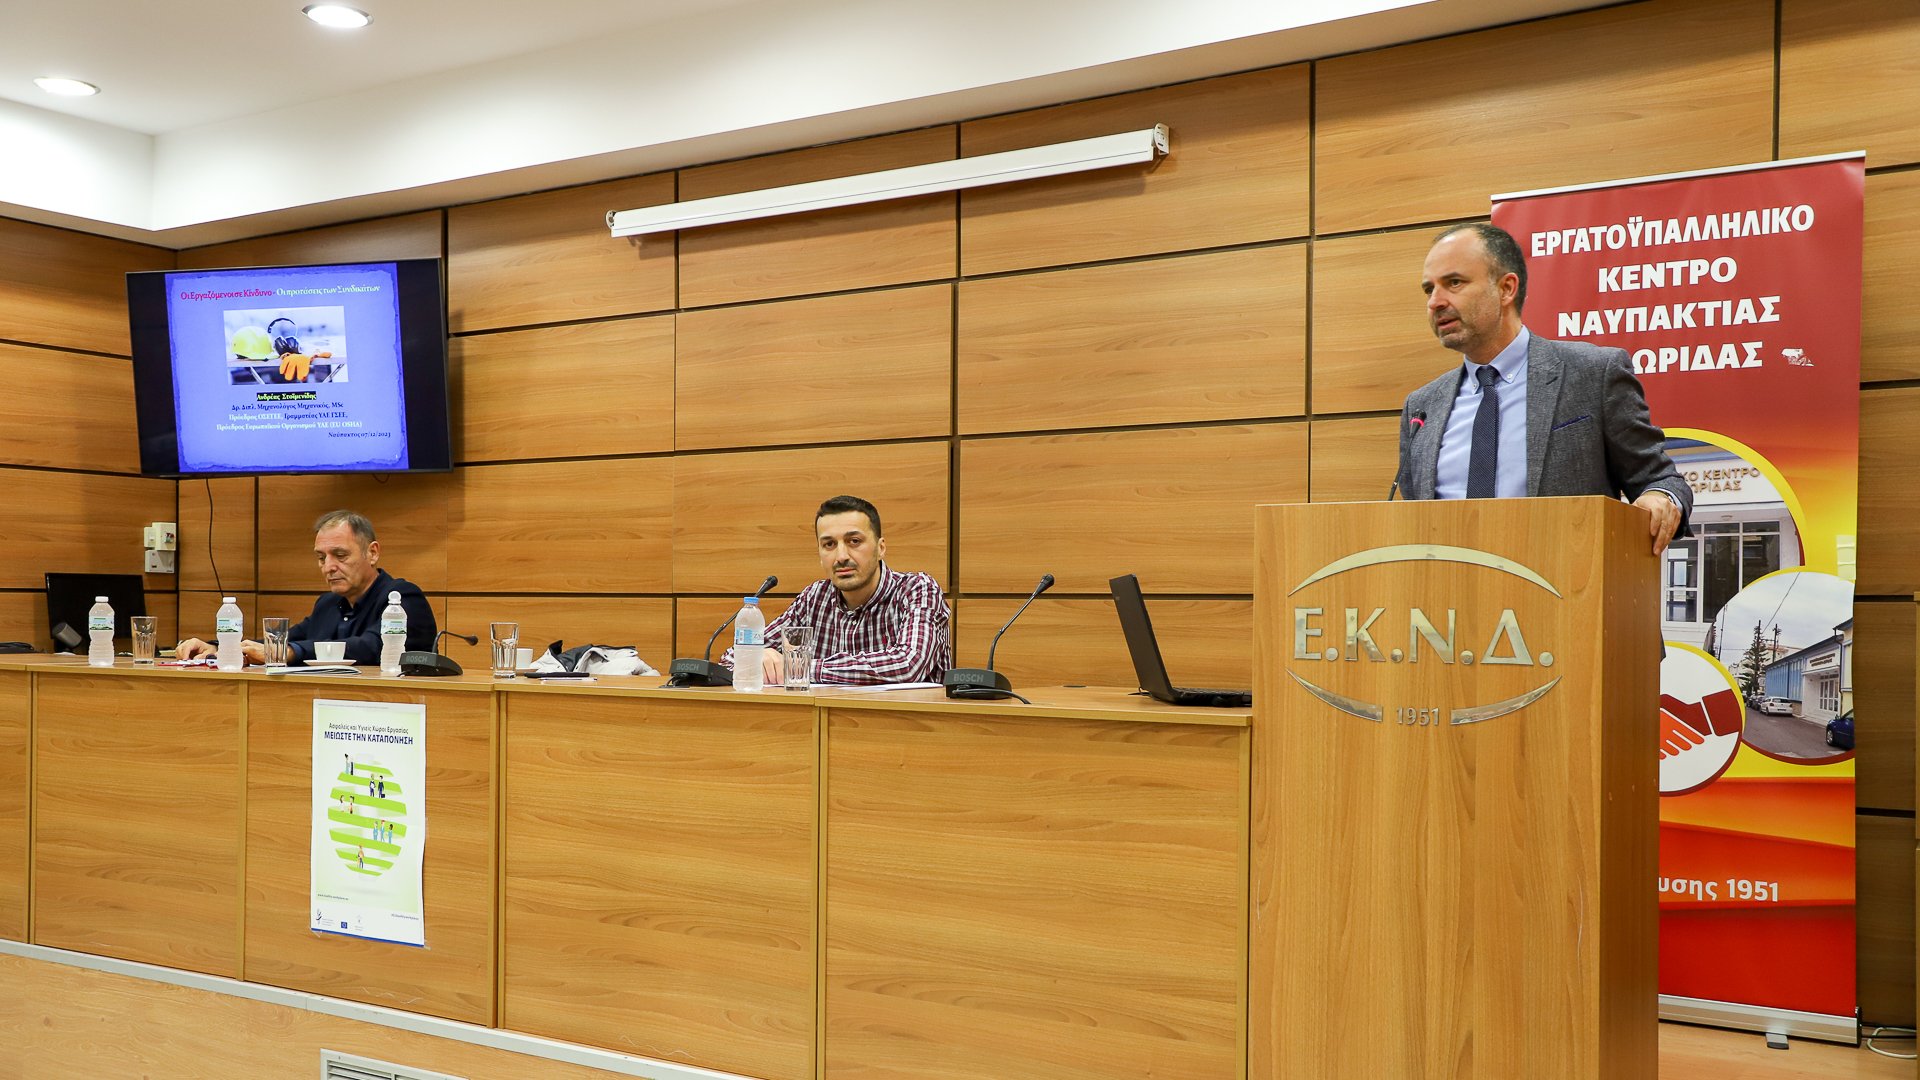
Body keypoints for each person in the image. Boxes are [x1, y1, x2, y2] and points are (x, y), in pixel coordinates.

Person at [1393, 222, 1692, 554]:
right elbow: (1413, 522)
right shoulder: (1422, 406)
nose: (1435, 302)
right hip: (1446, 584)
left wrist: (1660, 498)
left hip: (1560, 578)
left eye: (1454, 283)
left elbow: (1659, 479)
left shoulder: (1592, 374)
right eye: (1429, 289)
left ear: (1506, 289)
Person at [723, 495, 951, 686]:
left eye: (854, 541)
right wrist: (756, 658)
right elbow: (731, 658)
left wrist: (798, 667)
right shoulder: (814, 598)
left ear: (880, 548)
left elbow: (908, 664)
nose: (841, 556)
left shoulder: (917, 589)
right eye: (829, 544)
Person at [176, 510, 437, 664]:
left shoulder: (402, 598)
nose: (328, 567)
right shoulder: (327, 604)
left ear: (372, 553)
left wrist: (290, 652)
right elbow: (283, 641)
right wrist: (221, 647)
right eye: (322, 558)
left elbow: (371, 647)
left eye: (340, 556)